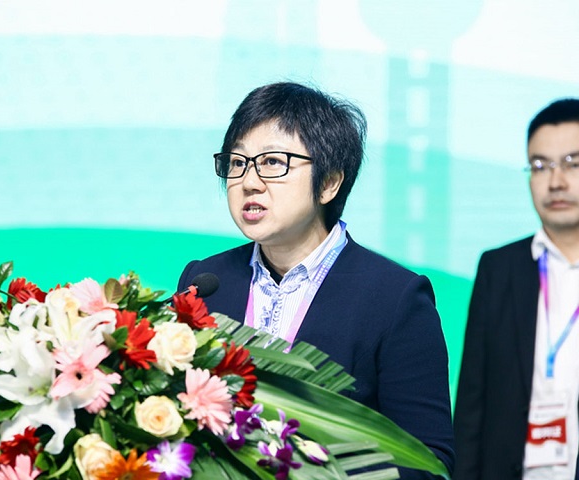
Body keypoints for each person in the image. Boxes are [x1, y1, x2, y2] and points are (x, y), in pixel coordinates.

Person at [177, 81, 455, 478]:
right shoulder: (205, 281)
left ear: (328, 183)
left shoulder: (395, 298)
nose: (249, 182)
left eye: (272, 162)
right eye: (237, 163)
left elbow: (428, 461)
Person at [454, 98, 579, 480]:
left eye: (573, 163)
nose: (556, 182)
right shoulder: (498, 268)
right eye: (540, 166)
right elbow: (472, 403)